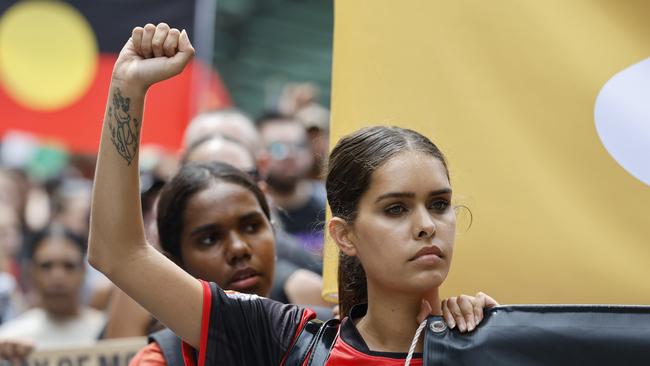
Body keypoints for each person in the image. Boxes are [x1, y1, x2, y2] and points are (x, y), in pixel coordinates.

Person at [88, 23, 496, 365]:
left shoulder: (489, 339)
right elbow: (117, 253)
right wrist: (127, 87)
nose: (426, 226)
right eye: (395, 209)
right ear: (344, 235)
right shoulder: (287, 341)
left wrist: (500, 334)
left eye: (439, 204)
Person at [0, 226, 105, 361]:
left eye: (68, 265)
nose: (57, 276)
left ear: (84, 271)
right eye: (46, 266)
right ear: (31, 272)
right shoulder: (9, 340)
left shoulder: (109, 331)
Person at [258, 113, 327, 255]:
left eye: (299, 145)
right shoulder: (254, 211)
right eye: (277, 147)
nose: (290, 154)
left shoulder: (330, 202)